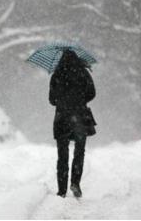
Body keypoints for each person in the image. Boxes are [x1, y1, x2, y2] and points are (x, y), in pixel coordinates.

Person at [49, 49, 96, 198]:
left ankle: (62, 190)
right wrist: (80, 100)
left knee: (62, 154)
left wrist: (62, 101)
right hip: (80, 117)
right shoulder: (83, 73)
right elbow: (92, 93)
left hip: (62, 117)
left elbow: (51, 100)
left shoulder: (57, 74)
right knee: (79, 151)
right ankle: (75, 183)